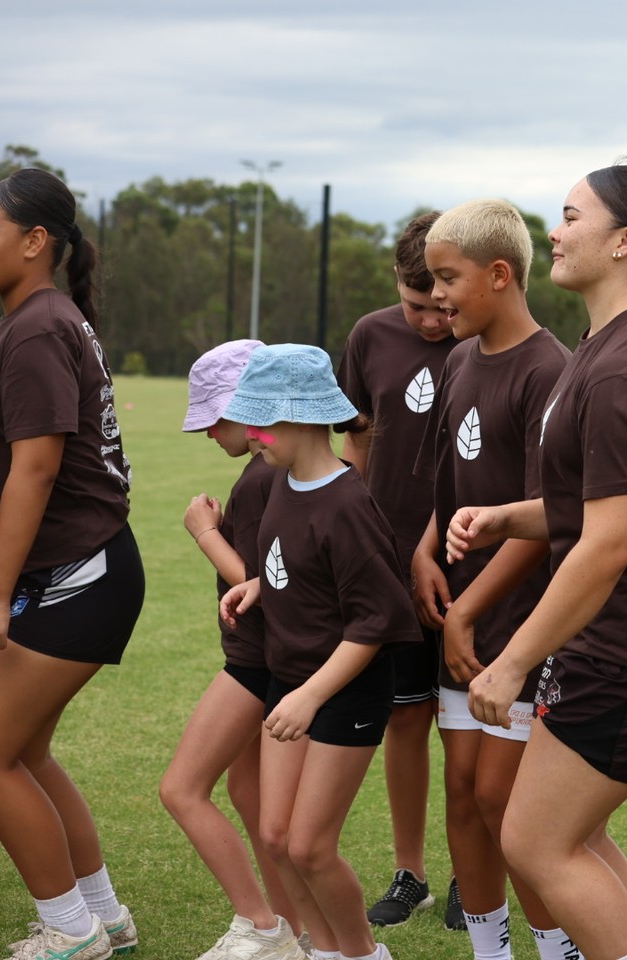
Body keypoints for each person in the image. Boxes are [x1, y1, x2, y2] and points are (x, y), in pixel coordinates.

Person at [445, 161, 627, 960]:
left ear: (625, 241)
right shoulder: (618, 346)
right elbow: (610, 502)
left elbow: (610, 544)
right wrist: (512, 515)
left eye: (571, 216)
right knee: (572, 836)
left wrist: (510, 663)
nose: (555, 230)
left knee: (538, 845)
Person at [0, 167, 144, 960]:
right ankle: (104, 915)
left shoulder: (35, 327)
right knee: (21, 751)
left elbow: (38, 467)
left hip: (80, 576)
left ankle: (71, 934)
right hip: (87, 567)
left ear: (36, 244)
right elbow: (34, 462)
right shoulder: (41, 317)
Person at [219, 344, 424, 960]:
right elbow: (306, 568)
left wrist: (310, 696)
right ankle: (323, 951)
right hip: (293, 683)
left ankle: (363, 954)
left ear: (303, 417)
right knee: (277, 838)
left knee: (310, 845)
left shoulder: (348, 503)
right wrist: (262, 584)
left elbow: (374, 621)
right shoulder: (281, 481)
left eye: (259, 420)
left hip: (342, 692)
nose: (250, 434)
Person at [413, 199, 575, 960]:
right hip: (464, 620)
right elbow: (449, 487)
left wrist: (467, 613)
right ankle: (490, 950)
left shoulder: (551, 373)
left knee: (505, 805)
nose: (436, 294)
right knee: (463, 799)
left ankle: (558, 948)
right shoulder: (457, 360)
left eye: (449, 278)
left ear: (500, 275)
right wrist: (424, 549)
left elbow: (549, 523)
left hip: (519, 627)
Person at [162, 338, 305, 960]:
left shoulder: (258, 481)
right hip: (275, 660)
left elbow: (260, 580)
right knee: (251, 799)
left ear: (249, 409)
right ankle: (294, 932)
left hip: (256, 662)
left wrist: (204, 533)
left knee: (182, 789)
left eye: (213, 418)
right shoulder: (281, 469)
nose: (207, 432)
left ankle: (262, 925)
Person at [335, 212, 458, 928]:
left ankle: (476, 872)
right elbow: (356, 441)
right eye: (418, 307)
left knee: (469, 730)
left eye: (443, 305)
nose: (433, 321)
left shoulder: (486, 337)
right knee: (404, 722)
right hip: (387, 567)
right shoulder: (369, 336)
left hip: (473, 569)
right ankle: (410, 872)